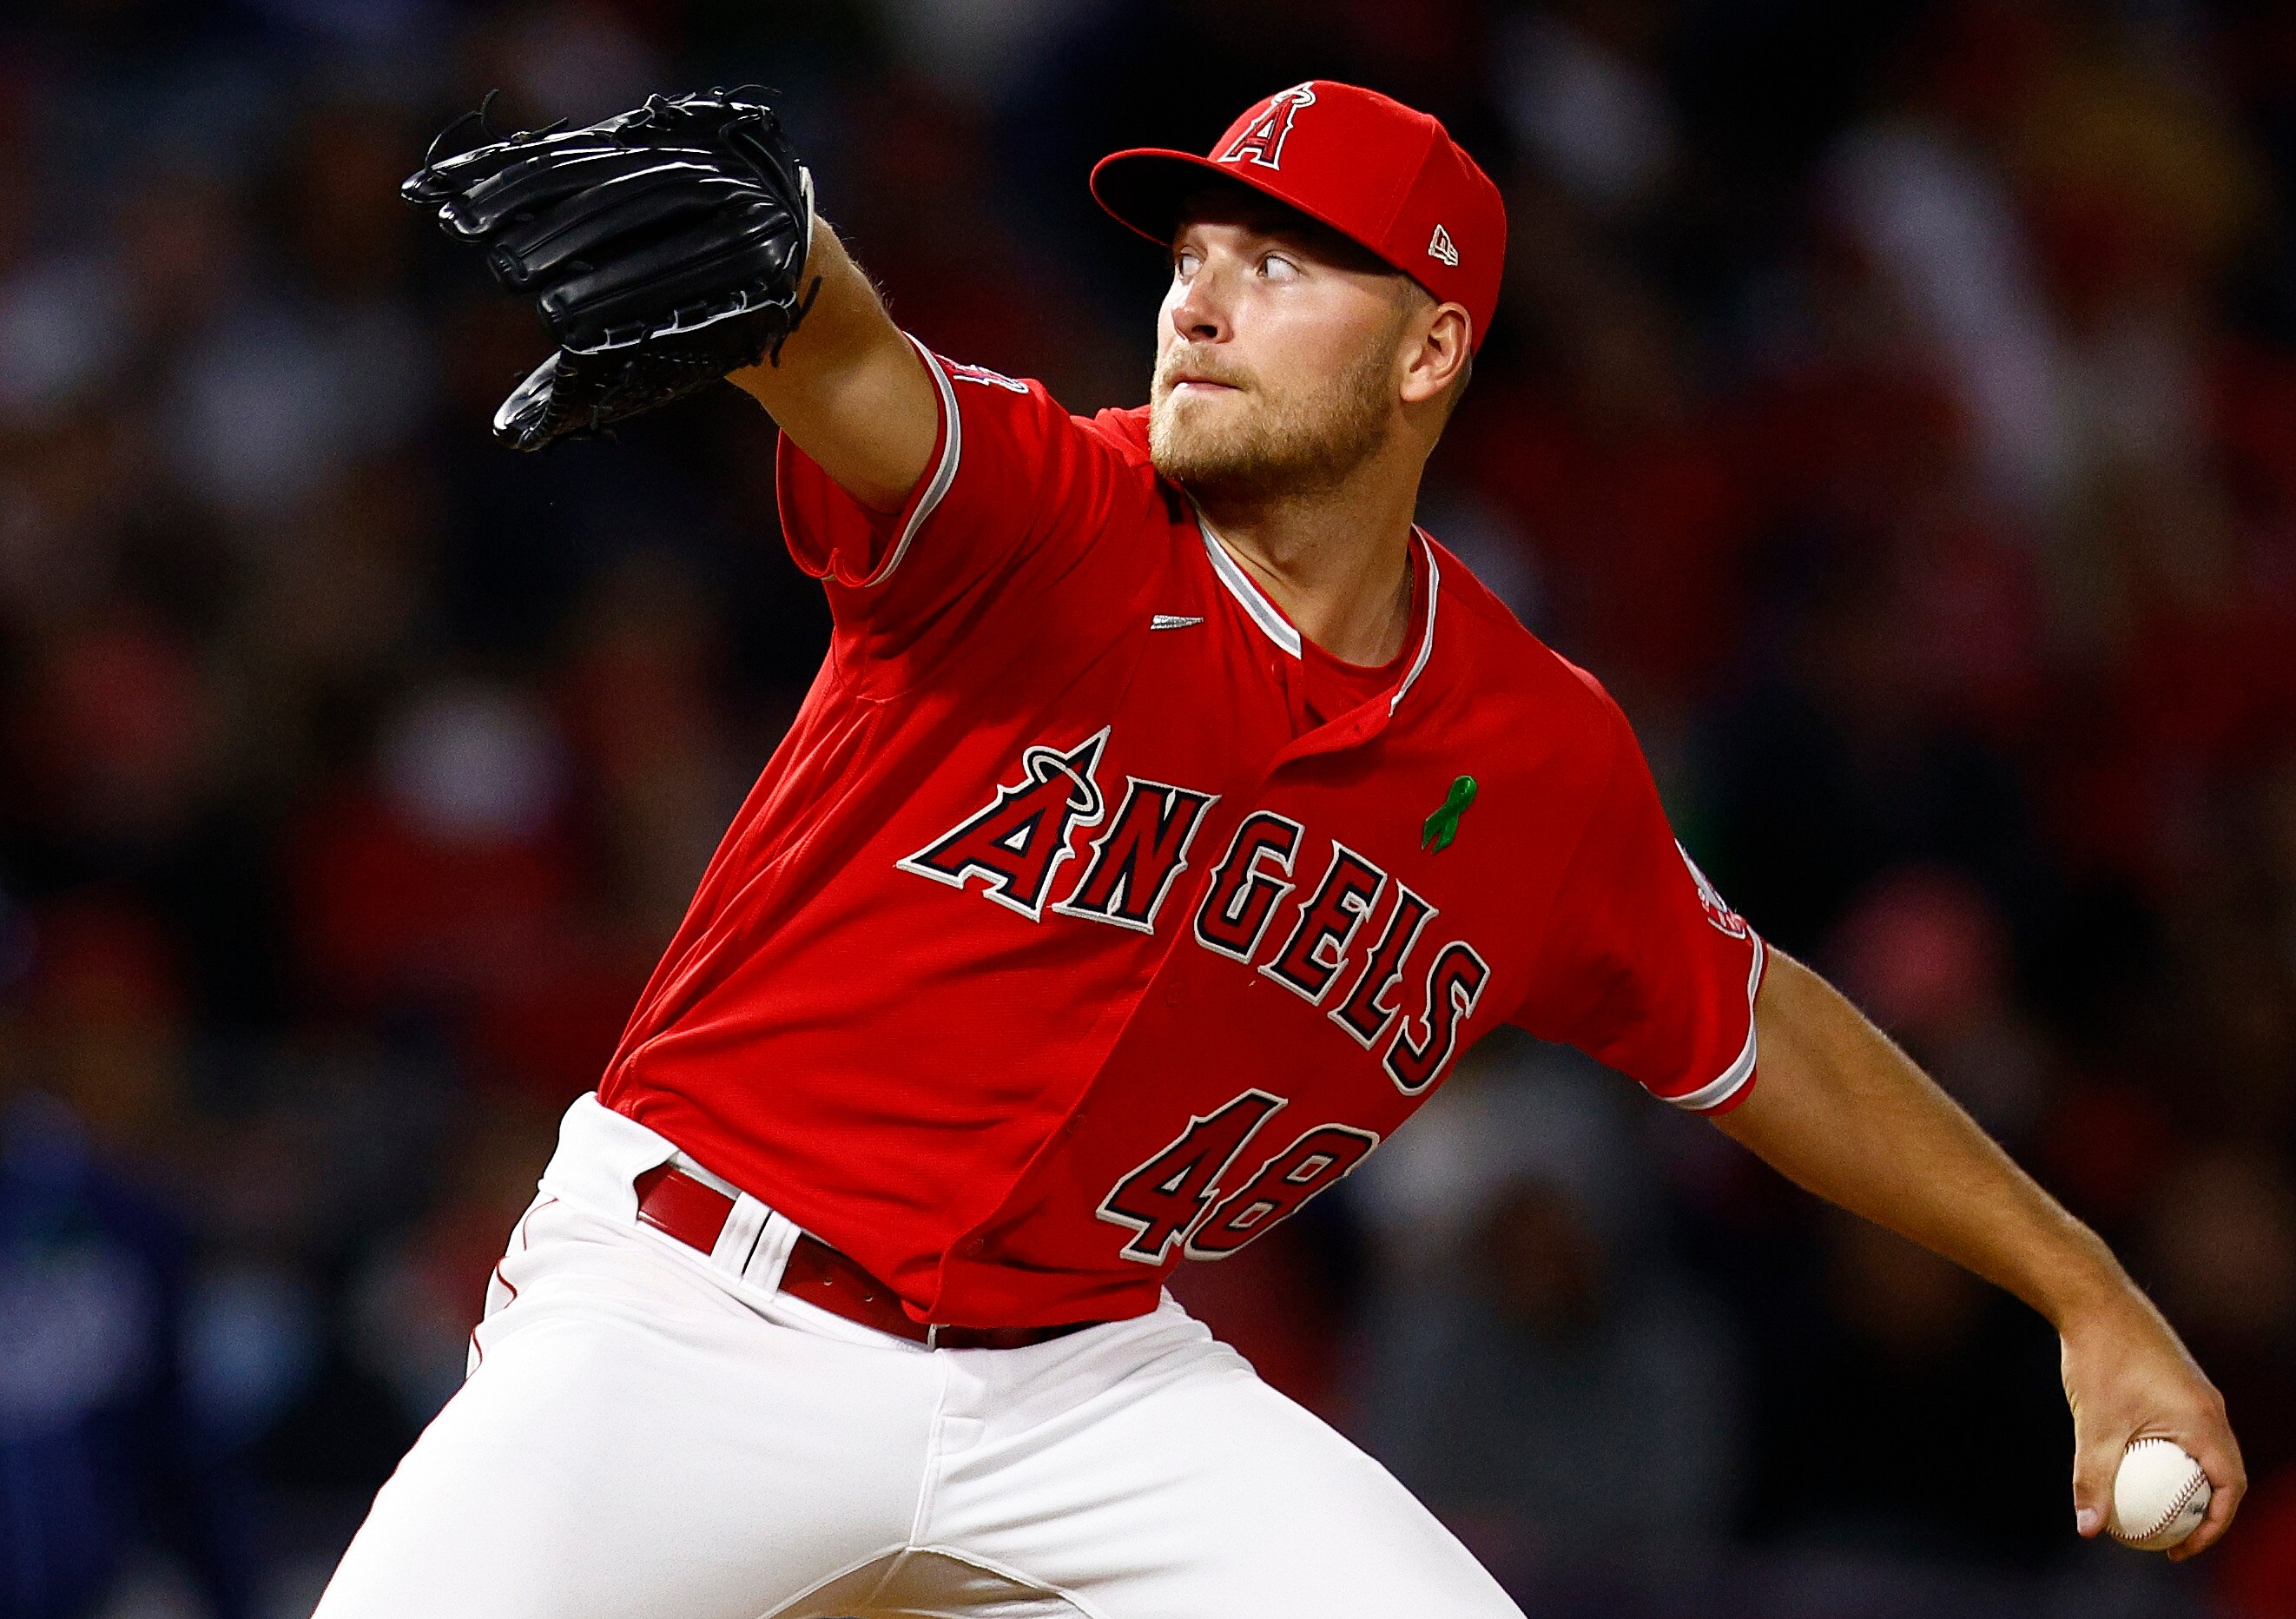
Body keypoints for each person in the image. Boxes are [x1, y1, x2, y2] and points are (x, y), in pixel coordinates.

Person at [316, 82, 2241, 1618]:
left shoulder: (1533, 748)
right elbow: (865, 382)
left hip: (1083, 1383)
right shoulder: (1050, 518)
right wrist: (795, 274)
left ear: (1427, 355)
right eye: (1193, 254)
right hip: (699, 1309)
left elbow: (1758, 1034)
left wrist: (2086, 1288)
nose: (1200, 296)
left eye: (1278, 264)